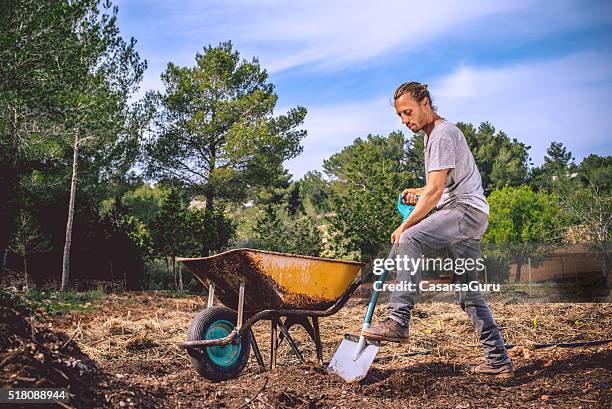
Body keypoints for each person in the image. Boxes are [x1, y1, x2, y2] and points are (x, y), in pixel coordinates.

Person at [362, 81, 514, 378]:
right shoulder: (433, 135)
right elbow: (437, 188)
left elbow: (435, 194)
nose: (405, 121)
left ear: (426, 103)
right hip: (467, 213)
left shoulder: (442, 134)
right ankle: (498, 360)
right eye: (400, 116)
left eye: (408, 112)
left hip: (463, 213)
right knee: (468, 291)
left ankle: (398, 319)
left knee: (410, 237)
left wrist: (405, 223)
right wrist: (420, 191)